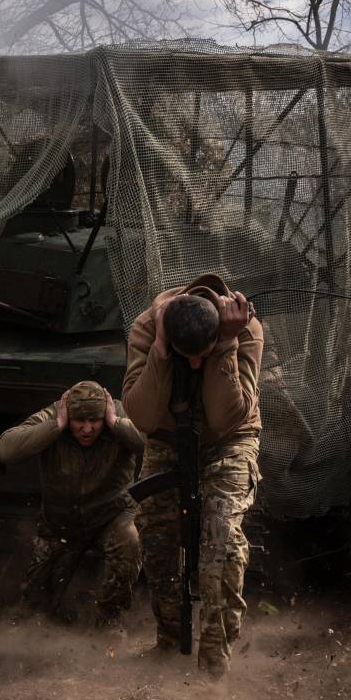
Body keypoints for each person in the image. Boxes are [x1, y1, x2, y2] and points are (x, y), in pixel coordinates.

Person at [121, 273, 263, 678]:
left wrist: (226, 344)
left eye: (203, 353)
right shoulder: (149, 328)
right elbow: (143, 415)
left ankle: (214, 662)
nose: (196, 363)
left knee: (220, 540)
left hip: (229, 439)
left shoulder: (245, 327)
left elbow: (225, 418)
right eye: (191, 356)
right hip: (167, 437)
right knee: (157, 537)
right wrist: (162, 353)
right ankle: (168, 643)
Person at [0, 381, 146, 627]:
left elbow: (149, 440)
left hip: (110, 517)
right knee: (34, 604)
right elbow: (5, 450)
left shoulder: (117, 412)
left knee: (130, 542)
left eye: (94, 421)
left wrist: (115, 422)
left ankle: (109, 618)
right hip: (61, 525)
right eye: (79, 421)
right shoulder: (54, 414)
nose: (87, 429)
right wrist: (56, 426)